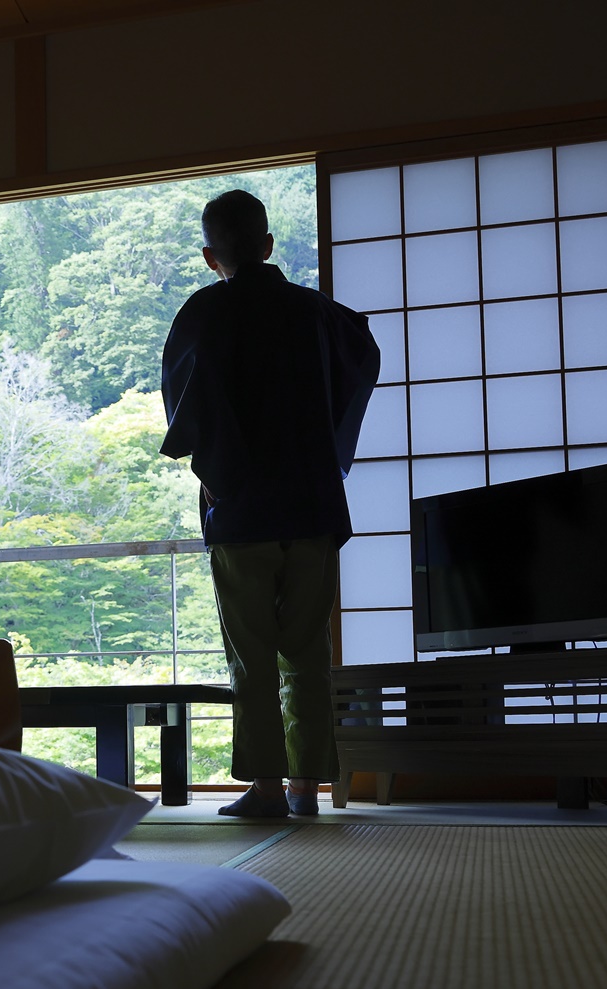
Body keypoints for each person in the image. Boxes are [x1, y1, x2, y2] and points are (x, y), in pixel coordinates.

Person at [159, 190, 380, 818]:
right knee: (308, 652)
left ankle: (264, 787)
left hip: (242, 508)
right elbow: (364, 358)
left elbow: (184, 400)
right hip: (311, 503)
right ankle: (307, 787)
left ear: (210, 256)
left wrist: (213, 459)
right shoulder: (318, 313)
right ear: (267, 245)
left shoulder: (204, 313)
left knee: (252, 654)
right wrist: (324, 438)